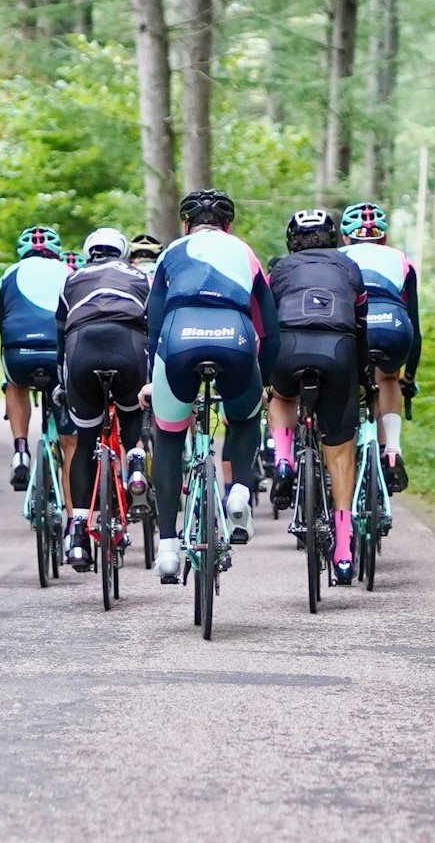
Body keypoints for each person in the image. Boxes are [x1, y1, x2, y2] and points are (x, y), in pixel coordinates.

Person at [140, 189, 279, 580]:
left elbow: (151, 323)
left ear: (186, 225)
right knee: (245, 417)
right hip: (233, 340)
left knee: (168, 437)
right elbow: (269, 328)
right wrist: (263, 383)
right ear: (228, 226)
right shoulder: (244, 253)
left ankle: (167, 547)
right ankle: (239, 494)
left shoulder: (171, 253)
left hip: (178, 341)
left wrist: (154, 377)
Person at [266, 209, 367, 583]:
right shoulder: (349, 266)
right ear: (335, 239)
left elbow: (263, 320)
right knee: (340, 450)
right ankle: (343, 551)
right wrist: (360, 377)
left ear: (291, 242)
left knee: (280, 395)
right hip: (338, 348)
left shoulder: (278, 270)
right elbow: (361, 324)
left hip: (289, 346)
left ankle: (283, 460)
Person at [54, 228, 150, 570]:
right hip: (128, 346)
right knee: (133, 414)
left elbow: (60, 334)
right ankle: (136, 462)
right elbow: (153, 328)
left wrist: (61, 384)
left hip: (82, 348)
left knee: (85, 442)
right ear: (123, 252)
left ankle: (78, 533)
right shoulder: (139, 276)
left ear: (87, 251)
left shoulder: (73, 278)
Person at [339, 202, 420, 492]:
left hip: (351, 324)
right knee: (388, 378)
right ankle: (393, 451)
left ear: (346, 237)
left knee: (343, 381)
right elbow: (416, 325)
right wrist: (408, 377)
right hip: (393, 324)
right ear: (383, 237)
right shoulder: (401, 259)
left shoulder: (337, 257)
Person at [0, 226, 75, 511]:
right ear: (56, 251)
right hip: (58, 357)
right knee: (71, 446)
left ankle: (20, 450)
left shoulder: (9, 274)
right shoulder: (69, 273)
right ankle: (72, 526)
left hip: (19, 355)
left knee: (13, 382)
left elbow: (2, 324)